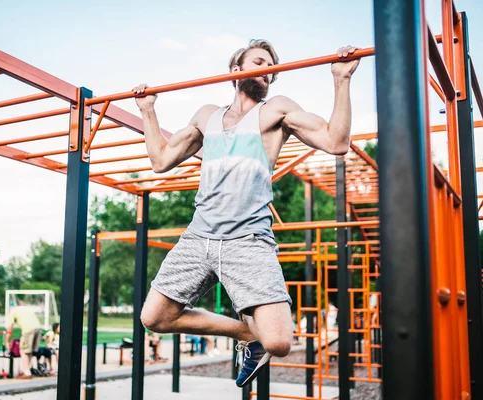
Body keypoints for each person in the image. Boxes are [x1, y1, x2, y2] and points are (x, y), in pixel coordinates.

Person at [133, 39, 360, 388]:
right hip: (199, 236)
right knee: (154, 317)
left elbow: (336, 142)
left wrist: (341, 79)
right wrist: (147, 109)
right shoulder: (206, 116)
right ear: (236, 71)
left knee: (279, 342)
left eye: (272, 69)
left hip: (247, 239)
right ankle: (245, 333)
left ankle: (259, 338)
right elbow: (161, 160)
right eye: (259, 62)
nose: (267, 73)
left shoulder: (275, 110)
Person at [5, 304, 42, 379]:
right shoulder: (24, 308)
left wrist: (7, 341)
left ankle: (27, 373)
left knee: (23, 351)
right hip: (38, 329)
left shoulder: (13, 312)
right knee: (30, 351)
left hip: (28, 330)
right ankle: (28, 369)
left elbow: (9, 329)